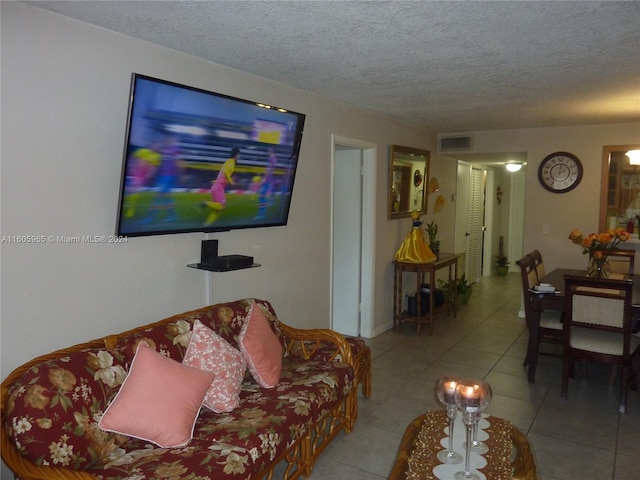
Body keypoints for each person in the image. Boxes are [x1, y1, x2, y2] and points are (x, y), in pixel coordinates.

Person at [204, 147, 240, 225]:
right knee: (222, 206)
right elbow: (226, 172)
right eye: (239, 154)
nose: (240, 156)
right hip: (218, 187)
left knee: (217, 211)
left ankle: (206, 225)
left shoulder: (227, 162)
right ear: (236, 155)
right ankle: (206, 203)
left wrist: (215, 181)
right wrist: (231, 181)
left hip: (216, 187)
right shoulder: (231, 162)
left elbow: (221, 174)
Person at [254, 148, 278, 220]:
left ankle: (262, 214)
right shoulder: (273, 159)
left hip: (267, 181)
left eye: (269, 151)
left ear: (271, 151)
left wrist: (263, 180)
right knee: (262, 196)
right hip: (269, 181)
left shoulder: (271, 159)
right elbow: (270, 170)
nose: (268, 152)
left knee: (262, 197)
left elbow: (269, 170)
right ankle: (263, 213)